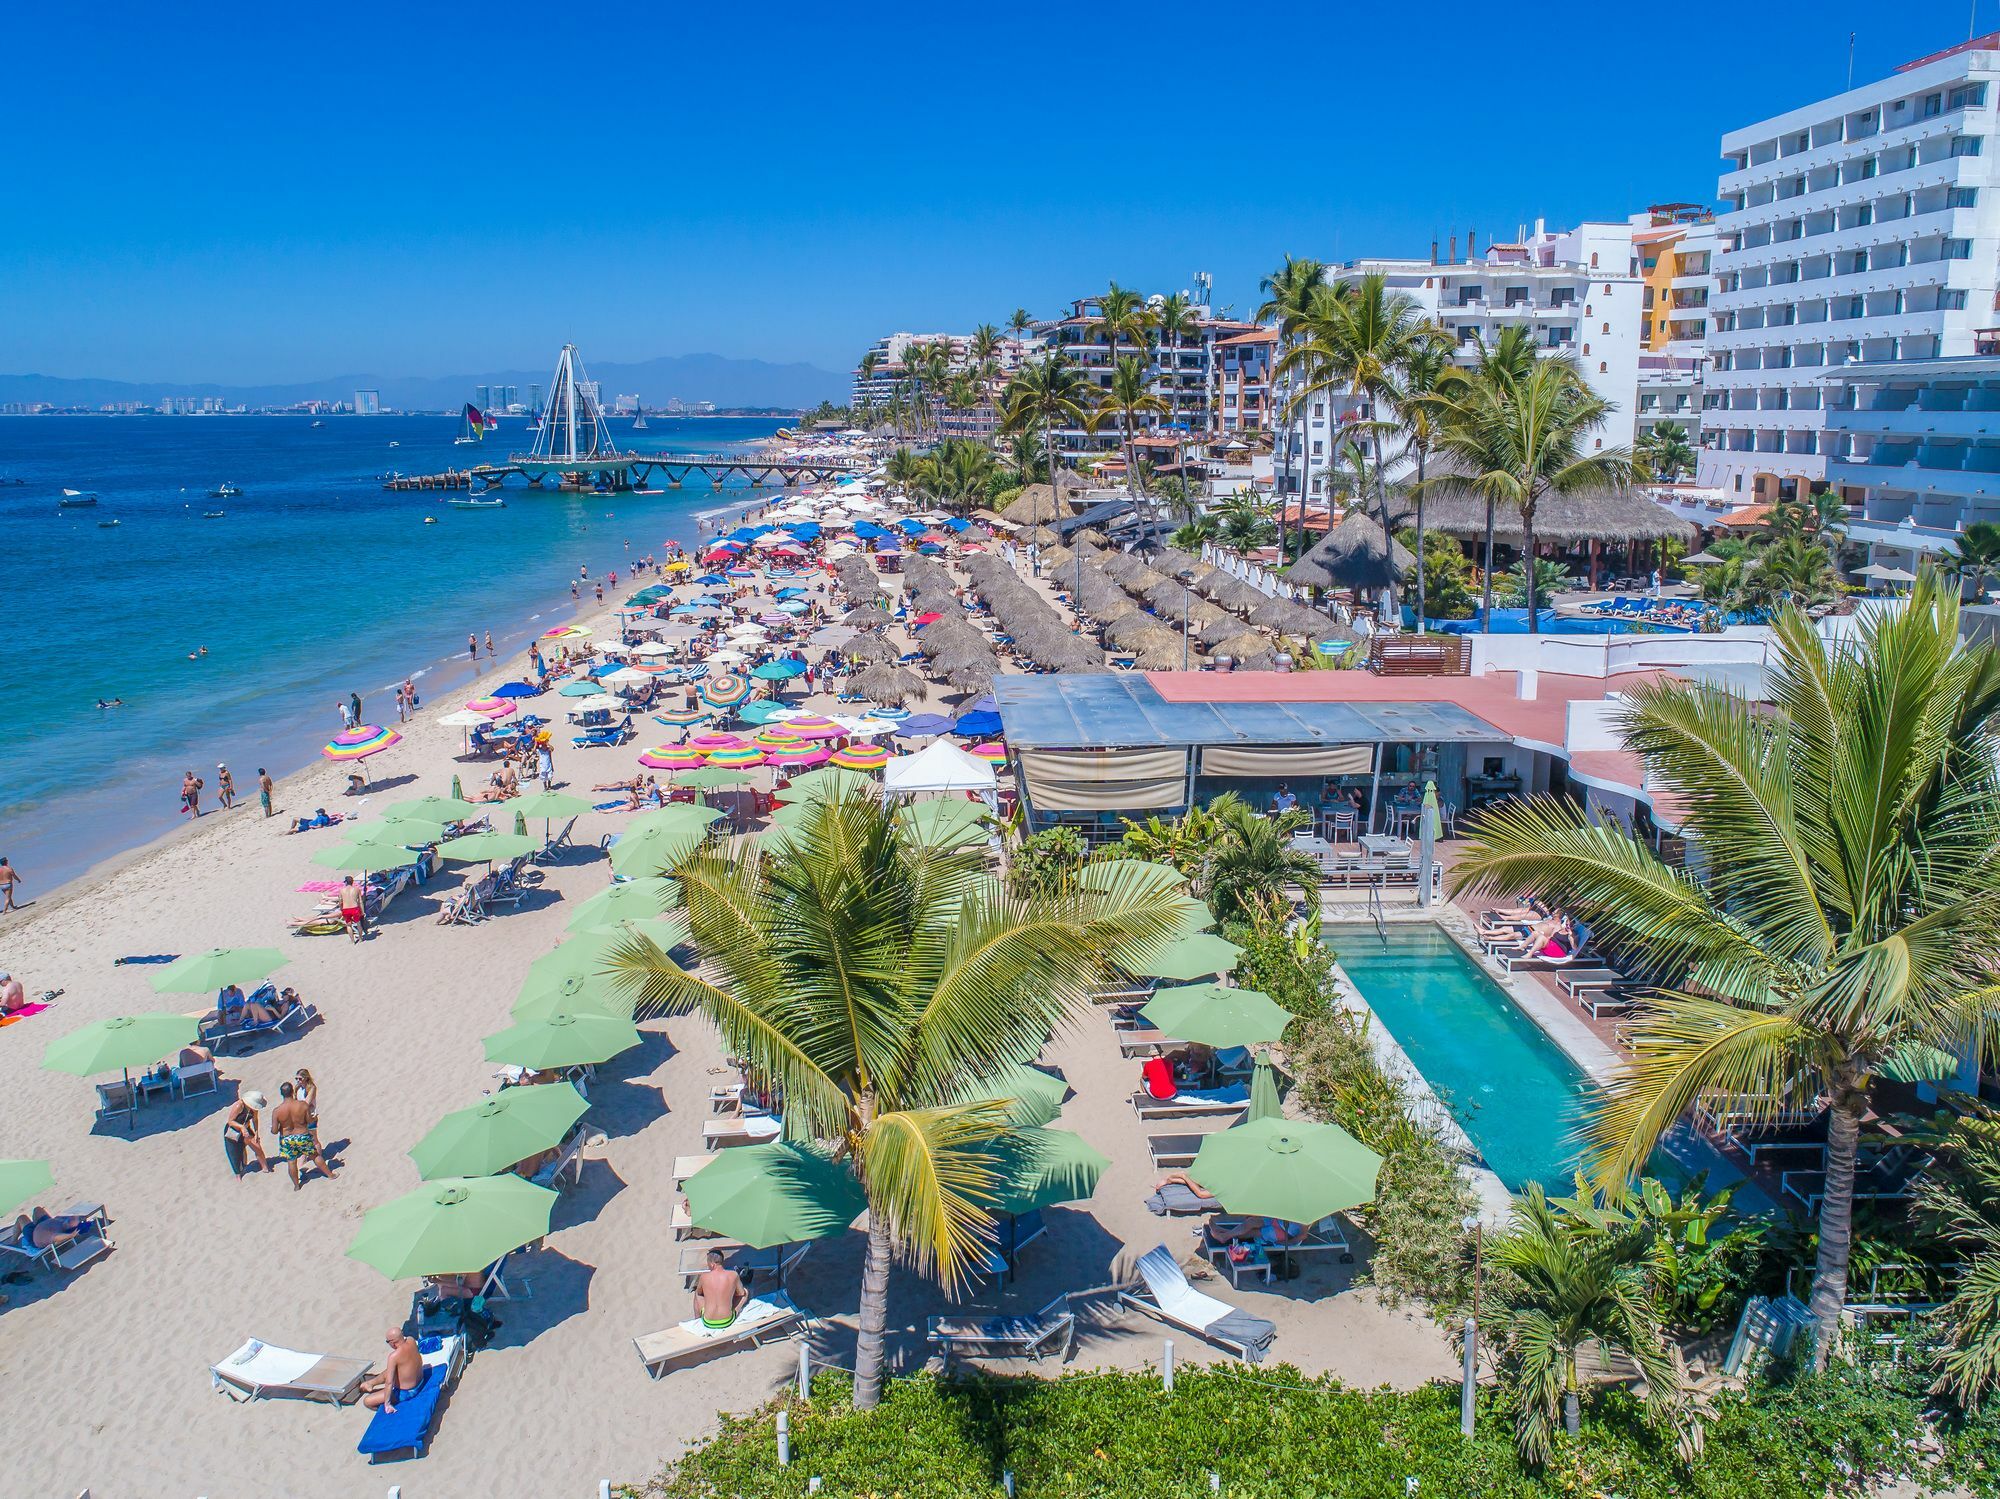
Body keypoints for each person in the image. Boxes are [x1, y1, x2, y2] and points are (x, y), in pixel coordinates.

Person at [271, 1080, 334, 1191]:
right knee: (315, 1156)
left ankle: (296, 1185)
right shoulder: (302, 1105)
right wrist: (314, 1118)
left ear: (282, 1094)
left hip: (287, 1138)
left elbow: (274, 1131)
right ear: (292, 1092)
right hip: (302, 1135)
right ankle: (330, 1175)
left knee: (291, 1162)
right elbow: (309, 1121)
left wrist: (279, 1127)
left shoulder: (277, 1111)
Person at [360, 1329, 424, 1413]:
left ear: (392, 1343)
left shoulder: (394, 1356)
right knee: (391, 1370)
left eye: (387, 1341)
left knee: (367, 1401)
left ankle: (383, 1413)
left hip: (408, 1392)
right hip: (421, 1380)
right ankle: (370, 1383)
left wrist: (387, 1404)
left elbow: (389, 1383)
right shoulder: (411, 1340)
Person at [692, 1247, 748, 1329]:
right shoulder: (733, 1274)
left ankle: (697, 1320)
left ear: (712, 1264)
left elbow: (699, 1293)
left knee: (696, 1294)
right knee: (746, 1293)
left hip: (708, 1322)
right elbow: (741, 1293)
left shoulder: (704, 1276)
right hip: (727, 1321)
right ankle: (735, 1311)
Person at [222, 1090, 270, 1176]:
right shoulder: (239, 1106)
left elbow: (255, 1119)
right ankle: (238, 1174)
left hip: (246, 1130)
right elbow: (230, 1121)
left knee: (257, 1147)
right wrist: (241, 1127)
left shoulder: (254, 1108)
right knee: (234, 1153)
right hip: (233, 1130)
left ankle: (264, 1167)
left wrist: (256, 1132)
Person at [339, 875, 367, 940]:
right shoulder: (357, 889)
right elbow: (360, 901)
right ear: (352, 882)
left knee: (348, 925)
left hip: (345, 909)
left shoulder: (341, 890)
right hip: (355, 908)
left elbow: (340, 901)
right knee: (358, 924)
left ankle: (352, 941)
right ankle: (360, 939)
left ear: (346, 882)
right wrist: (363, 912)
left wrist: (341, 909)